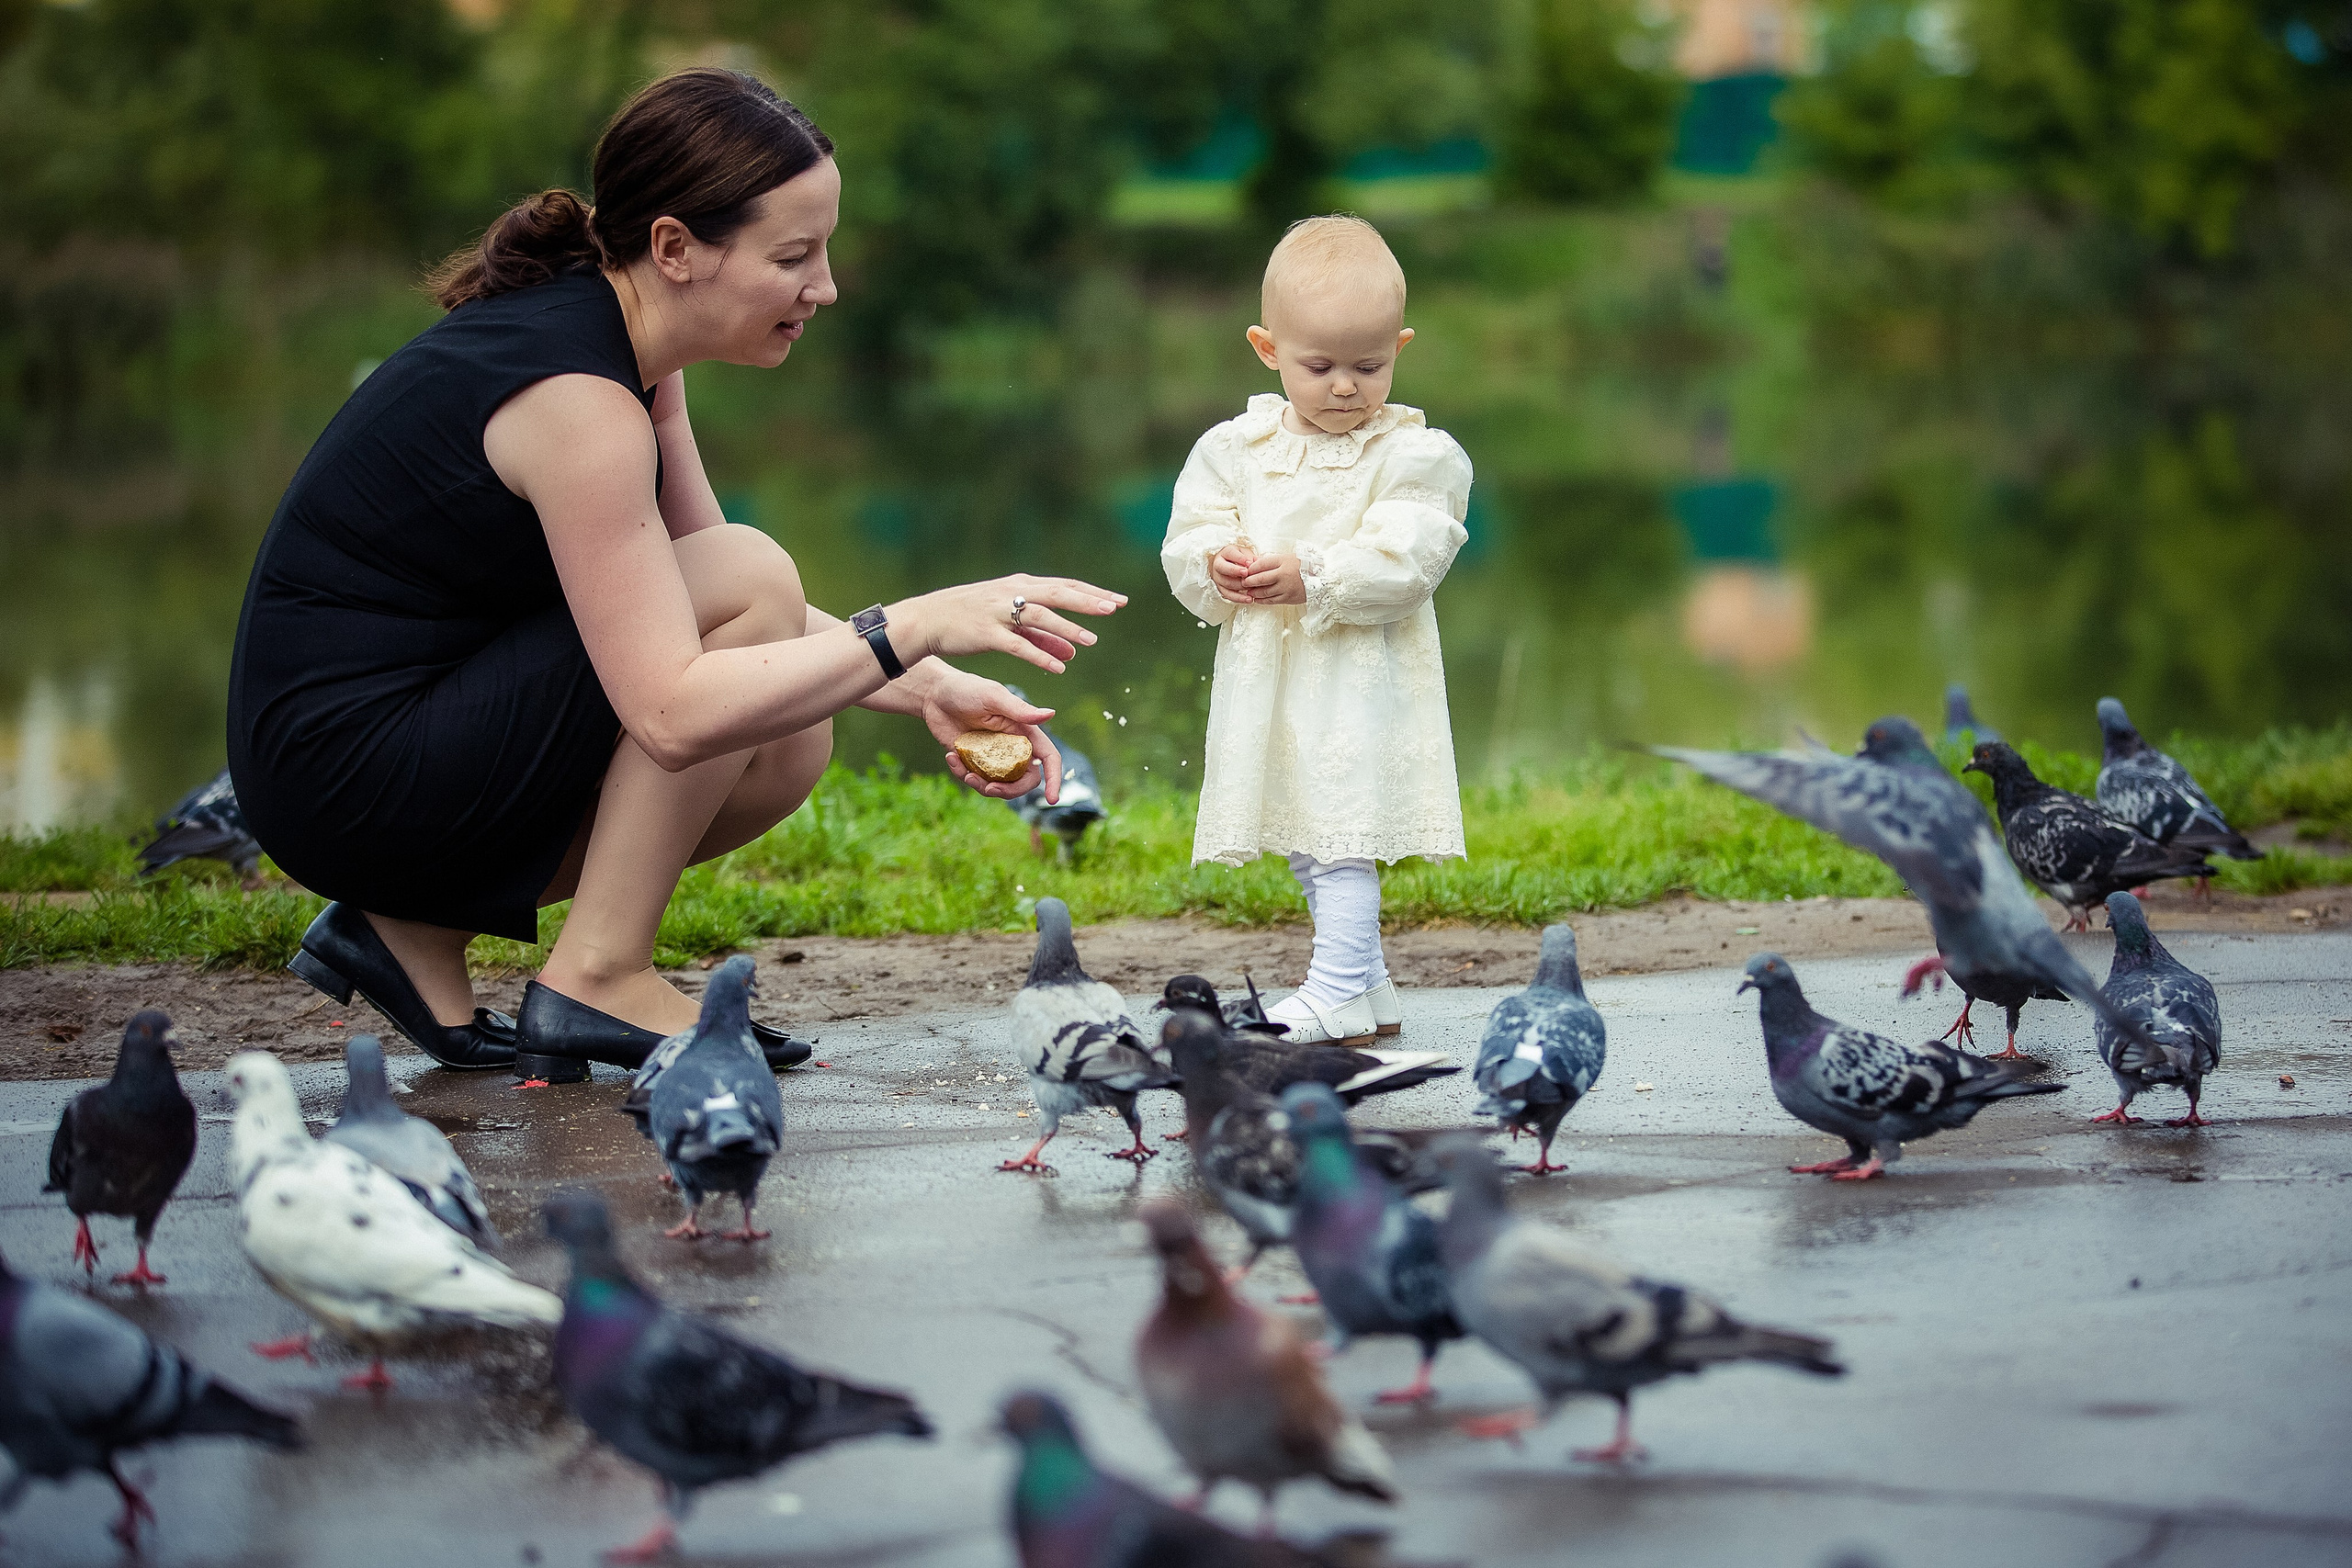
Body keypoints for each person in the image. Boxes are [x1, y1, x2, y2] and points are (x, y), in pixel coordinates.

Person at [227, 68, 1123, 1084]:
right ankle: (598, 975)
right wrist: (911, 623)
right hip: (343, 767)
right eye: (793, 256)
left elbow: (735, 610)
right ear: (673, 248)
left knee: (788, 735)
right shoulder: (576, 397)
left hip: (405, 738)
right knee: (750, 589)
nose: (824, 287)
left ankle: (408, 931)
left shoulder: (633, 358)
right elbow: (674, 701)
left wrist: (925, 688)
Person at [1159, 215, 1470, 1044]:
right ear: (1267, 349)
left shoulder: (1414, 453)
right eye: (1320, 365)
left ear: (1399, 346)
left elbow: (1409, 556)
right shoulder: (1238, 448)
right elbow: (1189, 536)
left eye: (1369, 366)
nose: (1344, 387)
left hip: (1361, 680)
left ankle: (1332, 986)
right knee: (1300, 822)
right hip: (1273, 676)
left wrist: (1315, 572)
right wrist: (1215, 562)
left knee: (1338, 833)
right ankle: (1366, 986)